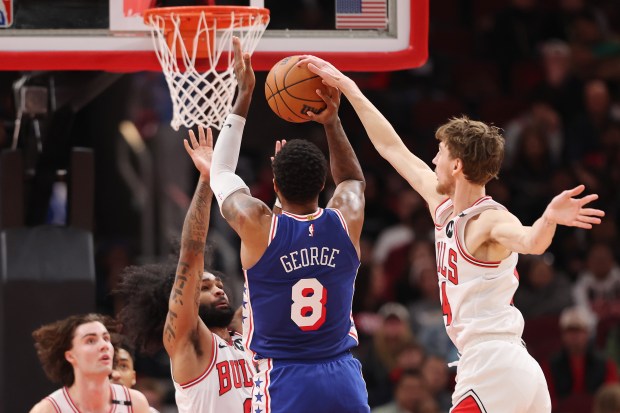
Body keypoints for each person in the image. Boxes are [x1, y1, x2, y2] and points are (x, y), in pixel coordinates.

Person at [302, 55, 605, 412]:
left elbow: (531, 241)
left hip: (493, 365)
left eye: (440, 154)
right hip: (509, 365)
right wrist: (349, 87)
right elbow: (391, 148)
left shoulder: (487, 220)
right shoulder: (441, 203)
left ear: (457, 165)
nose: (432, 161)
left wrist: (549, 219)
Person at [209, 37, 368, 412]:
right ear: (322, 184)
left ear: (274, 185)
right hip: (343, 376)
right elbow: (352, 180)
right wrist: (332, 121)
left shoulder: (258, 224)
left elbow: (220, 170)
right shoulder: (345, 219)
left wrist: (245, 93)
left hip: (285, 379)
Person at [116, 125, 253, 412]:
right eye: (203, 287)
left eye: (217, 284)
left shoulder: (243, 333)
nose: (218, 290)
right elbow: (191, 254)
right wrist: (206, 179)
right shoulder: (187, 342)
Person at [29, 313, 151, 413]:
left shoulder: (135, 403)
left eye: (106, 338)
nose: (104, 345)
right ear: (70, 356)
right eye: (91, 340)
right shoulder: (48, 410)